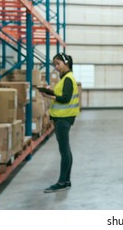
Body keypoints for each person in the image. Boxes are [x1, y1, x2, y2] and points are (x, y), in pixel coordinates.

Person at [40, 53, 80, 193]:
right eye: (54, 65)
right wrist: (51, 91)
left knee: (64, 151)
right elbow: (62, 95)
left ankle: (62, 182)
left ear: (66, 63)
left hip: (64, 119)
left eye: (58, 64)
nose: (56, 67)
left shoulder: (68, 78)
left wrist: (49, 95)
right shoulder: (65, 78)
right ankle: (66, 181)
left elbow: (65, 99)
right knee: (66, 150)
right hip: (63, 118)